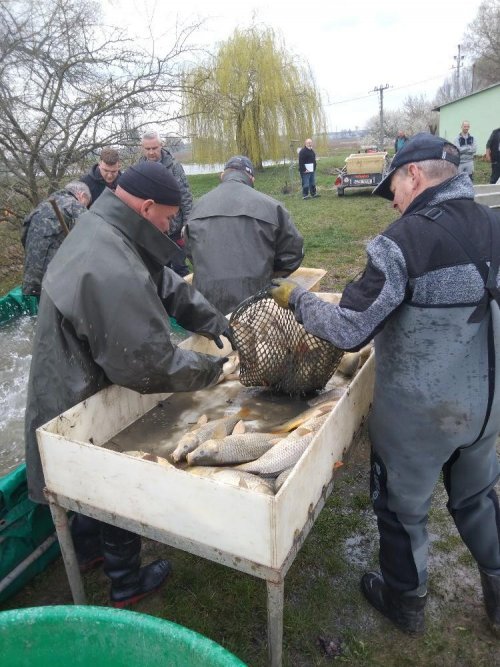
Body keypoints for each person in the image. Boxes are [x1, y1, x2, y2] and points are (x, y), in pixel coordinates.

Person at [268, 133, 500, 637]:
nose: (391, 199)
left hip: (423, 415)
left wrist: (298, 298)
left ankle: (405, 602)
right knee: (477, 497)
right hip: (487, 408)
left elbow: (349, 330)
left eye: (392, 186)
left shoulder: (404, 241)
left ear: (413, 175)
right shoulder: (495, 223)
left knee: (401, 509)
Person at [24, 161, 233, 608]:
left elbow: (165, 281)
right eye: (168, 217)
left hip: (69, 373)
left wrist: (215, 321)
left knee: (81, 477)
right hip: (74, 389)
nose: (171, 225)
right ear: (148, 206)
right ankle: (125, 583)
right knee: (105, 474)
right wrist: (214, 369)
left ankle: (88, 552)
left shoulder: (108, 225)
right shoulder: (109, 261)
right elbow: (150, 365)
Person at [185, 155, 304, 315]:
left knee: (213, 341)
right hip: (256, 302)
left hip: (206, 305)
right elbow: (293, 253)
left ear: (223, 175)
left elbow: (190, 252)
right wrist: (270, 274)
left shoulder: (196, 208)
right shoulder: (273, 207)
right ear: (251, 178)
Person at [21, 181, 91, 297]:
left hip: (30, 277)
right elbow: (89, 238)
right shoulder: (74, 205)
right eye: (86, 203)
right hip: (53, 279)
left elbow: (24, 235)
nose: (85, 207)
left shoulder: (41, 206)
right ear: (81, 195)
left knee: (34, 312)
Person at [140, 130, 192, 277]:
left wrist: (186, 224)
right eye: (147, 149)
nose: (151, 152)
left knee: (180, 269)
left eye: (154, 148)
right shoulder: (139, 168)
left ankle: (187, 298)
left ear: (161, 146)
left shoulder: (174, 167)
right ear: (142, 148)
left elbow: (186, 197)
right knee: (159, 271)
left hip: (175, 229)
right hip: (152, 230)